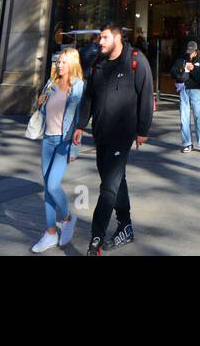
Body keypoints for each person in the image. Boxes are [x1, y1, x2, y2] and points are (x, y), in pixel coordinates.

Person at [73, 25, 153, 255]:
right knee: (117, 181)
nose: (100, 41)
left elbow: (146, 93)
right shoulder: (98, 63)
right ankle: (125, 225)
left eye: (105, 37)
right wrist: (81, 124)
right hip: (101, 133)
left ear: (118, 38)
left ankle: (95, 239)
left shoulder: (135, 60)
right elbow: (89, 96)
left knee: (108, 187)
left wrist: (143, 129)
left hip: (123, 133)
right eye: (100, 37)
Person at [31, 47, 85, 252]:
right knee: (47, 187)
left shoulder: (78, 85)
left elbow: (79, 120)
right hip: (48, 140)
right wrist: (39, 103)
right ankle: (51, 233)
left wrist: (74, 150)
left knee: (53, 185)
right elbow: (43, 110)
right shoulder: (51, 83)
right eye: (58, 62)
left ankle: (68, 218)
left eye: (63, 62)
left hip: (64, 142)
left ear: (72, 63)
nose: (58, 65)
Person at [172, 41, 200, 154]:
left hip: (195, 90)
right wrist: (182, 69)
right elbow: (172, 72)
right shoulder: (181, 59)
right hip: (183, 90)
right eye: (188, 52)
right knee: (184, 117)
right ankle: (187, 143)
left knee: (198, 117)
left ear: (196, 51)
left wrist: (193, 69)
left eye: (191, 52)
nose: (189, 54)